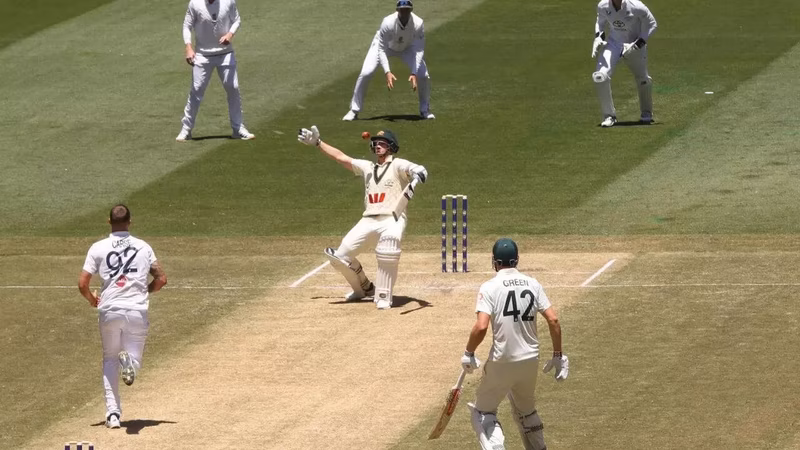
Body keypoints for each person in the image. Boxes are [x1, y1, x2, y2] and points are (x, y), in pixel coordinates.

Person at [296, 125, 427, 309]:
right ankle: (364, 288)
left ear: (391, 146)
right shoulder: (367, 167)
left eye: (382, 143)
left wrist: (419, 171)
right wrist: (318, 143)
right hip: (368, 219)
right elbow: (341, 158)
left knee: (388, 245)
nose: (378, 146)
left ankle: (383, 296)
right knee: (339, 257)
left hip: (392, 218)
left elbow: (413, 169)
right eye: (376, 143)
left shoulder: (397, 165)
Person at [460, 238, 568, 450]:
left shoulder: (489, 287)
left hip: (502, 361)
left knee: (483, 412)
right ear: (517, 259)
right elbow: (553, 320)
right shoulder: (533, 283)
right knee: (526, 412)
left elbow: (481, 327)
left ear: (495, 261)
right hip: (530, 361)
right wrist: (558, 355)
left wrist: (469, 353)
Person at [78, 205, 167, 429]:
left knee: (109, 359)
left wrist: (92, 299)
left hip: (109, 310)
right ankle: (129, 362)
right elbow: (161, 279)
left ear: (109, 222)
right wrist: (145, 291)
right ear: (130, 221)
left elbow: (82, 283)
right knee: (132, 362)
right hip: (136, 309)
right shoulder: (143, 247)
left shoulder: (98, 248)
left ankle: (113, 415)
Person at [342, 0, 434, 121]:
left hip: (407, 48)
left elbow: (419, 49)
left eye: (407, 10)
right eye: (402, 10)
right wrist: (387, 72)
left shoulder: (418, 23)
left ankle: (424, 110)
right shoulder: (388, 22)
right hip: (385, 47)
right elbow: (381, 49)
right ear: (397, 11)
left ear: (411, 10)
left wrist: (413, 72)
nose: (404, 12)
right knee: (366, 73)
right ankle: (354, 110)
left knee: (423, 75)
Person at [177, 0, 255, 141]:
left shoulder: (228, 1)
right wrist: (188, 47)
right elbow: (186, 26)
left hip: (226, 54)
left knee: (233, 88)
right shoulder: (195, 3)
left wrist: (230, 35)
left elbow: (237, 20)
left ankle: (238, 128)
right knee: (197, 90)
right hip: (202, 55)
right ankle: (186, 129)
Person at [591, 0, 657, 127]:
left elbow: (652, 24)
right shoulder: (603, 5)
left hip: (634, 44)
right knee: (600, 77)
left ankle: (646, 113)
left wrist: (638, 44)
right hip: (614, 44)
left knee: (643, 79)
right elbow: (600, 23)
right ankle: (609, 116)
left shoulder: (637, 6)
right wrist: (598, 37)